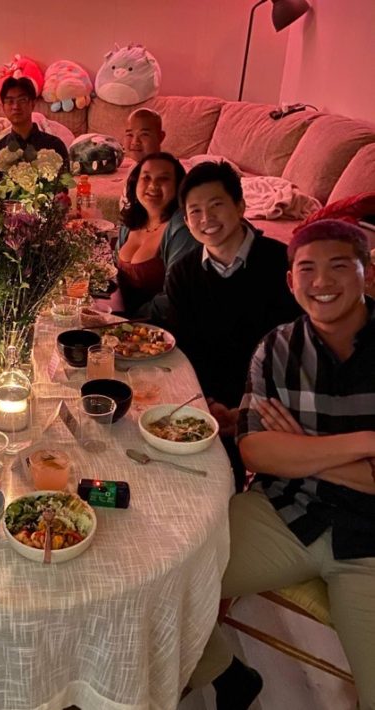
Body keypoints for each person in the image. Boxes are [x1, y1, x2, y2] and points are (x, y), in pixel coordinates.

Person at [188, 220, 375, 709]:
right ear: (291, 282)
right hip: (284, 513)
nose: (321, 281)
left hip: (369, 548)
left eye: (339, 266)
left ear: (368, 273)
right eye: (307, 269)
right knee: (166, 581)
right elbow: (255, 451)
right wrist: (364, 443)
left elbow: (277, 451)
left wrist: (300, 450)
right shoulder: (276, 348)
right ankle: (227, 674)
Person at [166, 161, 300, 490]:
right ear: (186, 221)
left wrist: (246, 408)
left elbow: (293, 346)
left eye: (216, 205)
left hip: (272, 400)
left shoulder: (281, 263)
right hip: (209, 399)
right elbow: (187, 345)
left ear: (240, 206)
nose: (206, 219)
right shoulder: (183, 273)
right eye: (195, 211)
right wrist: (209, 401)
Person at [114, 152, 186, 314]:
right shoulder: (130, 222)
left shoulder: (181, 228)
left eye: (164, 179)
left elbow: (176, 295)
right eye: (146, 178)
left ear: (178, 187)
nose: (153, 185)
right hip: (121, 317)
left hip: (160, 322)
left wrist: (130, 317)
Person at [0, 76, 70, 173]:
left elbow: (65, 181)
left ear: (33, 104)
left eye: (22, 100)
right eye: (10, 101)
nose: (16, 106)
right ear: (3, 108)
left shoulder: (55, 146)